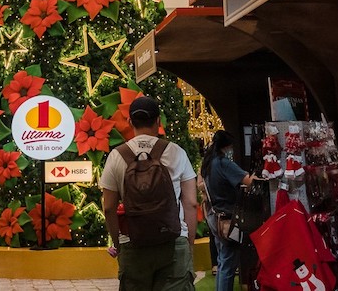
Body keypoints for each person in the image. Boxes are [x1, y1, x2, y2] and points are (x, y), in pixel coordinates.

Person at [100, 96, 198, 290]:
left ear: (129, 122)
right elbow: (191, 203)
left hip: (133, 243)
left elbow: (109, 207)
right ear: (158, 121)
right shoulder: (176, 152)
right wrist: (189, 244)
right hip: (173, 241)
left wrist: (119, 244)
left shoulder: (116, 155)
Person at [201, 130, 257, 291]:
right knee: (228, 263)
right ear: (227, 146)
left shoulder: (208, 163)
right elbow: (247, 180)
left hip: (214, 216)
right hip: (227, 218)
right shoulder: (223, 163)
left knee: (222, 261)